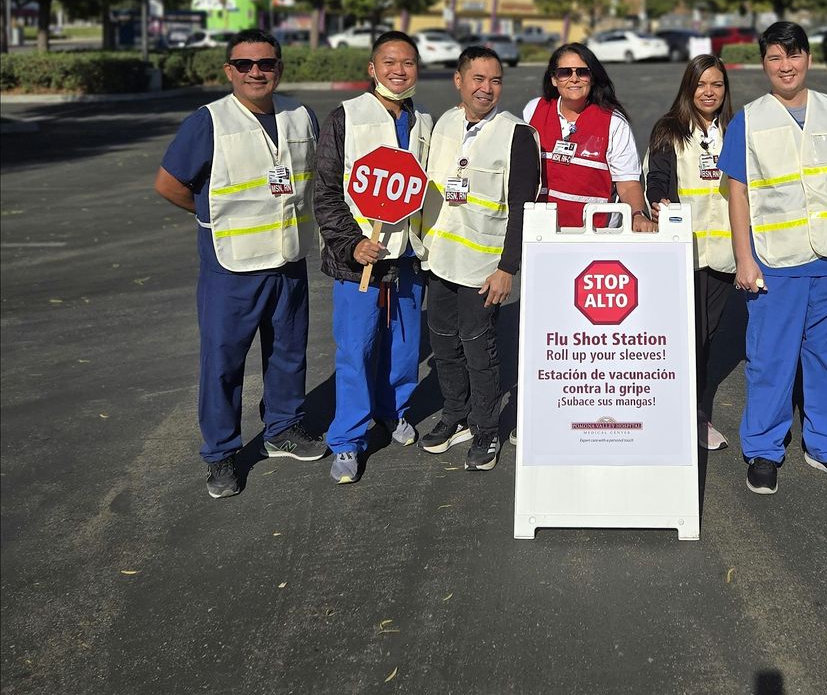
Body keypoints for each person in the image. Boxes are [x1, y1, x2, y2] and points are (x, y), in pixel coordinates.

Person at [154, 29, 326, 499]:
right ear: (229, 70)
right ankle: (221, 453)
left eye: (266, 63)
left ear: (279, 68)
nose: (256, 72)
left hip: (288, 258)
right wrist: (212, 216)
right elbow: (168, 184)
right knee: (224, 363)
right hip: (231, 265)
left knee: (288, 352)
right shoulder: (209, 122)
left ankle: (283, 429)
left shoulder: (300, 115)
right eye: (245, 64)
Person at [718, 21, 827, 496]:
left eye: (794, 55)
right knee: (771, 361)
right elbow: (738, 193)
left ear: (808, 58)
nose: (786, 66)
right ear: (763, 64)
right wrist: (744, 258)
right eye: (775, 57)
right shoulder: (749, 119)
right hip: (776, 261)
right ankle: (764, 451)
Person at [313, 31, 431, 485]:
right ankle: (348, 437)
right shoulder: (345, 117)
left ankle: (393, 409)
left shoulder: (423, 122)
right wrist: (351, 243)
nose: (399, 71)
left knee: (404, 345)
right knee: (357, 349)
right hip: (359, 260)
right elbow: (326, 193)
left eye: (408, 62)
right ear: (372, 69)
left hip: (407, 257)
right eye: (389, 62)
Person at [419, 46, 540, 471]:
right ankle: (456, 414)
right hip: (439, 259)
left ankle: (485, 428)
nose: (486, 89)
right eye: (478, 79)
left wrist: (507, 268)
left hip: (483, 268)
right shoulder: (445, 124)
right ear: (459, 81)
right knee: (443, 343)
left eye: (495, 80)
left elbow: (523, 207)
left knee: (479, 350)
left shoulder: (517, 134)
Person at [645, 54, 737, 451]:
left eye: (717, 84)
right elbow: (656, 179)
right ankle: (682, 413)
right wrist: (657, 203)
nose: (709, 92)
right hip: (685, 251)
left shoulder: (734, 130)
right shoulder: (669, 129)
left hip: (724, 254)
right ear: (689, 87)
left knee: (706, 337)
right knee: (688, 335)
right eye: (701, 84)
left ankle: (692, 412)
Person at [523, 42, 654, 231]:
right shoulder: (533, 110)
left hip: (595, 232)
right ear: (554, 79)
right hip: (542, 229)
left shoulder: (614, 122)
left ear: (592, 78)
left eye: (582, 72)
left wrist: (637, 215)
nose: (574, 79)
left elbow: (627, 183)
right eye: (565, 72)